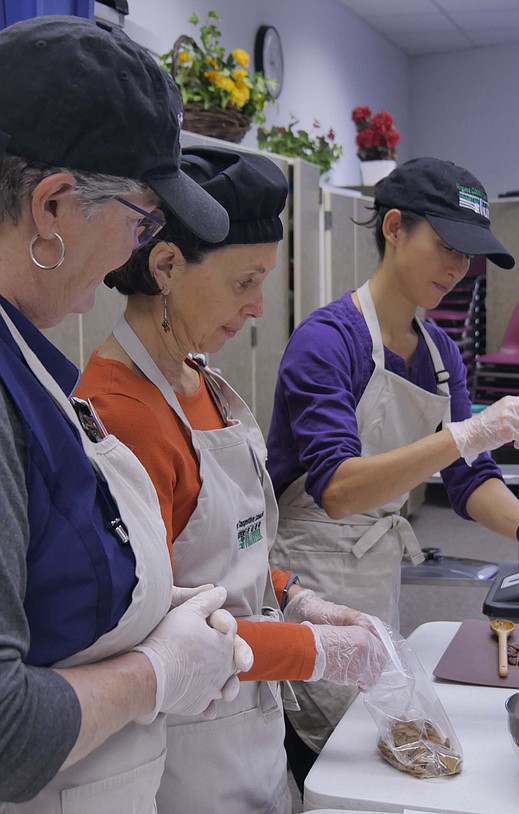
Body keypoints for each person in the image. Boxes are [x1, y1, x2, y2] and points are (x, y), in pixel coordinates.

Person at [266, 156, 519, 787]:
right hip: (309, 576)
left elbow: (469, 482)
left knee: (383, 737)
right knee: (326, 756)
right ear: (393, 228)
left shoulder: (442, 355)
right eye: (445, 245)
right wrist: (465, 432)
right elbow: (338, 491)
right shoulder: (327, 341)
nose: (458, 269)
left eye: (469, 255)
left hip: (376, 570)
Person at [76, 146, 387, 814]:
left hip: (251, 718)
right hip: (188, 748)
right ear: (165, 267)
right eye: (244, 281)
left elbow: (223, 550)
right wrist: (316, 651)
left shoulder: (201, 381)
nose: (258, 306)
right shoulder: (121, 414)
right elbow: (159, 631)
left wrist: (293, 594)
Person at [0, 16, 248, 812]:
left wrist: (141, 610)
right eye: (141, 224)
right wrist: (156, 673)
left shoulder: (29, 356)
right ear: (52, 206)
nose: (129, 259)